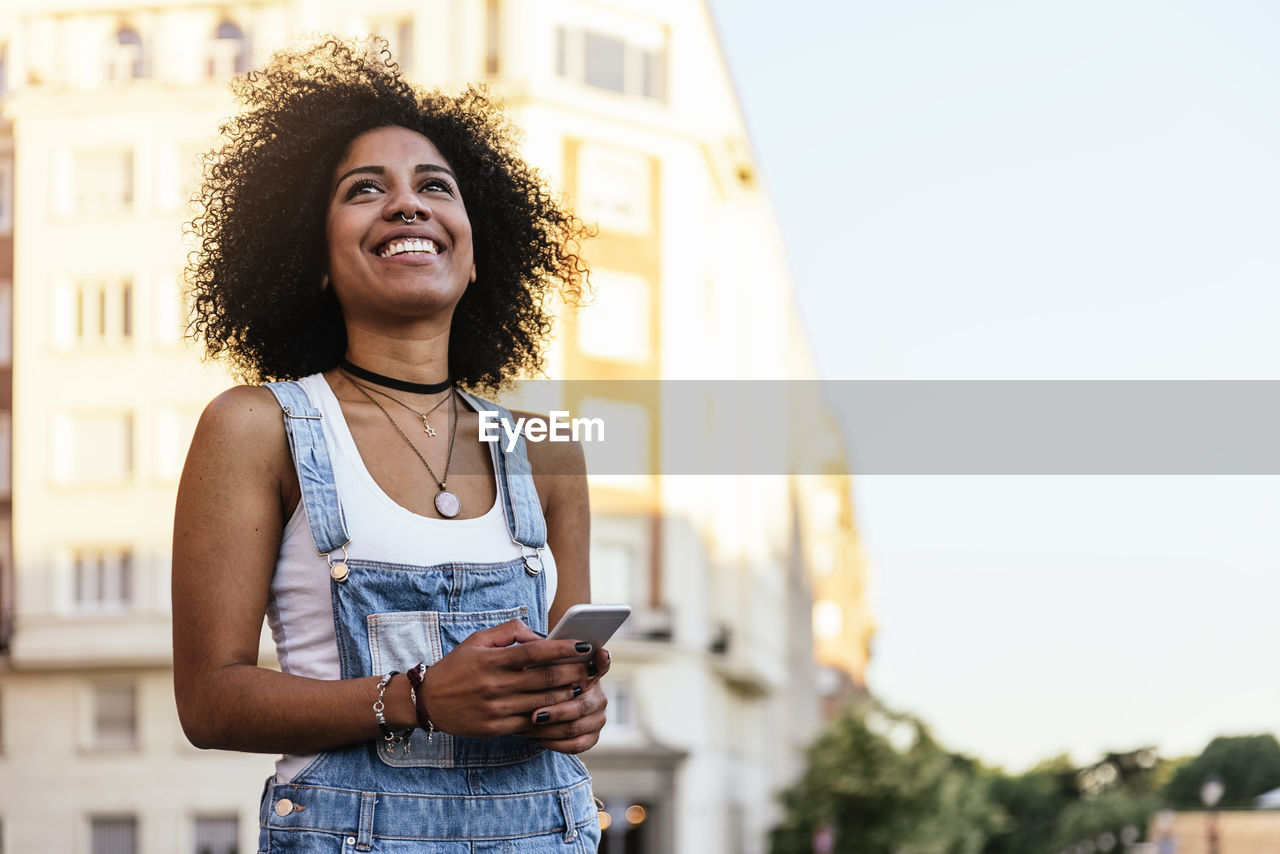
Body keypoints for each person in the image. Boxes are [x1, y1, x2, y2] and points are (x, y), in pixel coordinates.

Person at [172, 37, 607, 852]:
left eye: (435, 187)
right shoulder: (255, 428)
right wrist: (417, 696)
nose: (407, 205)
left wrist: (576, 709)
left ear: (478, 253)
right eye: (364, 190)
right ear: (317, 262)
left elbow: (564, 671)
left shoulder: (546, 449)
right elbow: (208, 701)